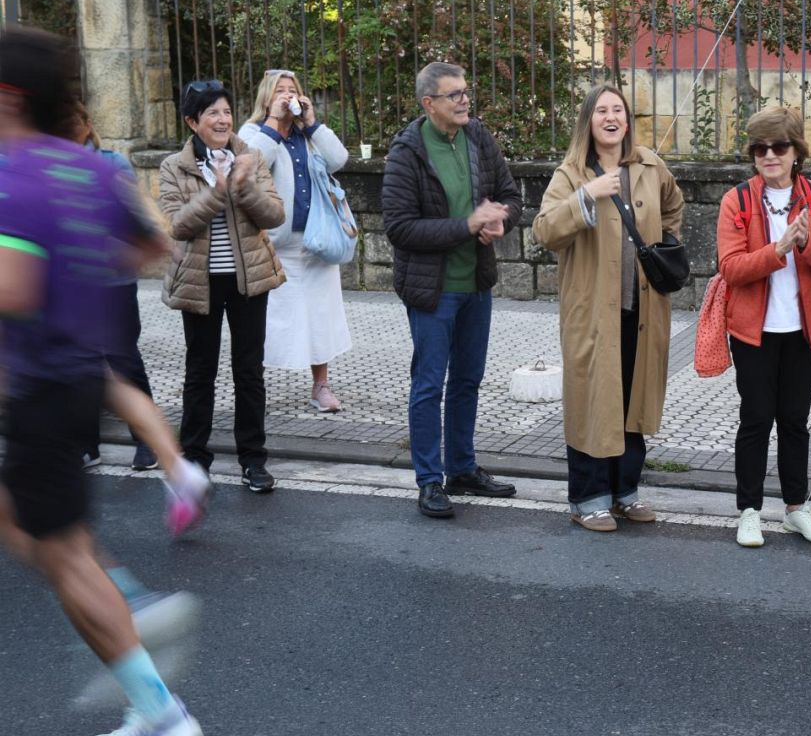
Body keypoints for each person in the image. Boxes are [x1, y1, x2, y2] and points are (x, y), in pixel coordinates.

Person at [0, 27, 205, 736]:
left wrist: (48, 271)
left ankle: (158, 711)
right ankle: (129, 604)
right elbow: (152, 248)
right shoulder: (87, 167)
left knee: (61, 556)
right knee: (25, 523)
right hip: (81, 374)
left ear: (9, 96)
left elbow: (14, 289)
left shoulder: (13, 177)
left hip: (38, 381)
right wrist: (79, 266)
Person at [532, 83, 685, 531]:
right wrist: (587, 195)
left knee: (631, 401)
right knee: (592, 402)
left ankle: (625, 493)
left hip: (643, 310)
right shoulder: (571, 173)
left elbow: (673, 206)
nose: (611, 117)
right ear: (589, 121)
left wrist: (665, 241)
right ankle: (588, 499)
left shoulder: (650, 165)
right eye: (602, 111)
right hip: (593, 311)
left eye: (618, 109)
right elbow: (544, 230)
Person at [382, 62, 522, 518]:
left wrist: (500, 221)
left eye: (465, 91)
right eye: (454, 94)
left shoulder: (478, 136)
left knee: (467, 381)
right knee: (429, 385)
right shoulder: (407, 151)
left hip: (476, 283)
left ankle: (461, 468)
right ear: (429, 103)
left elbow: (511, 196)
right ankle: (429, 480)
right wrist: (467, 225)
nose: (465, 101)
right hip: (433, 291)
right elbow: (400, 228)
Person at [717, 106, 811, 547]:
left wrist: (806, 242)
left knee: (795, 421)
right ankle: (749, 511)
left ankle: (796, 509)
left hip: (803, 332)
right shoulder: (737, 200)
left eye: (779, 146)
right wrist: (778, 249)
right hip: (753, 332)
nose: (769, 155)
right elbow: (731, 268)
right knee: (755, 420)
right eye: (760, 148)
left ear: (796, 152)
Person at [159, 80, 286, 493]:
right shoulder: (174, 166)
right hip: (199, 282)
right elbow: (178, 224)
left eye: (227, 112)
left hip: (249, 278)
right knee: (200, 372)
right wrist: (217, 191)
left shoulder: (251, 157)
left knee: (249, 371)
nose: (222, 120)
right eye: (212, 113)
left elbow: (274, 215)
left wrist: (243, 185)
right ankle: (195, 459)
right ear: (192, 122)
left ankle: (253, 460)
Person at [238, 69, 353, 413]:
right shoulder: (253, 132)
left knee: (321, 315)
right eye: (280, 91)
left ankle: (321, 386)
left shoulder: (308, 133)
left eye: (292, 90)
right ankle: (252, 387)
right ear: (266, 97)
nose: (288, 95)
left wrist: (313, 123)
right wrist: (275, 122)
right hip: (274, 243)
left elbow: (339, 159)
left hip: (316, 239)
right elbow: (251, 165)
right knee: (266, 319)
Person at [66, 101, 158, 471]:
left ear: (87, 124)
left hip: (114, 279)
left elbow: (130, 219)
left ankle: (147, 441)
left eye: (71, 121)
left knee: (123, 360)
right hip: (74, 283)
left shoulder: (112, 163)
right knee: (82, 362)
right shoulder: (53, 166)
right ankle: (87, 444)